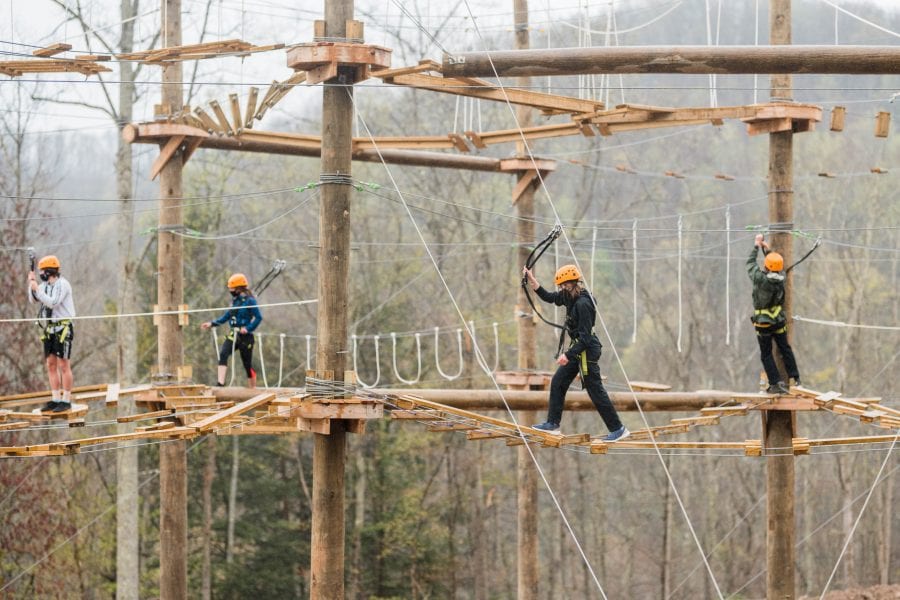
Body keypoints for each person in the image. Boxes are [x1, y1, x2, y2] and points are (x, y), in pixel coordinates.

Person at [522, 264, 629, 442]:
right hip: (578, 349)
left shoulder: (583, 304)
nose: (562, 289)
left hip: (586, 350)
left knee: (595, 391)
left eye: (564, 285)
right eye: (561, 286)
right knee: (558, 382)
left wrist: (568, 355)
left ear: (572, 282)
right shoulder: (569, 296)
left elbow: (586, 338)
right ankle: (553, 424)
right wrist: (533, 282)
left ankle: (618, 429)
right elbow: (550, 298)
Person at [748, 234, 801, 395]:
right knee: (785, 348)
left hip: (763, 323)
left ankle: (775, 382)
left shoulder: (760, 279)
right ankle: (795, 378)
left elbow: (750, 264)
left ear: (766, 266)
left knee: (766, 354)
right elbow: (772, 265)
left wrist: (757, 246)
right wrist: (767, 249)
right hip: (778, 322)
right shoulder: (781, 277)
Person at [27, 255, 76, 413]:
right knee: (51, 364)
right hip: (50, 328)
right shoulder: (45, 285)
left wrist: (37, 290)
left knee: (63, 364)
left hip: (63, 327)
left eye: (42, 271)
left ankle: (66, 400)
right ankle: (55, 399)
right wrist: (32, 285)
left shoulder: (63, 284)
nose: (41, 273)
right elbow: (33, 299)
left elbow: (53, 302)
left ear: (49, 271)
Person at [201, 273, 263, 387]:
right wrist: (212, 323)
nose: (230, 290)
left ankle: (253, 388)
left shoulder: (250, 301)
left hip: (246, 337)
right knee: (223, 354)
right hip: (233, 334)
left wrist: (248, 329)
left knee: (247, 365)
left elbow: (259, 317)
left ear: (239, 288)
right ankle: (220, 383)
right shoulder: (235, 301)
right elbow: (227, 316)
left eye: (232, 288)